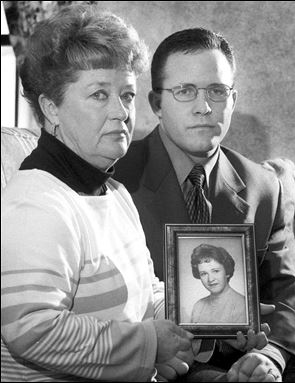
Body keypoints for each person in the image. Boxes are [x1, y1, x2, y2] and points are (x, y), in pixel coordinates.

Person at [1, 5, 198, 381]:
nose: (121, 112)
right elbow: (32, 330)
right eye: (99, 95)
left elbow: (146, 293)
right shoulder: (34, 205)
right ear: (50, 108)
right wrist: (150, 344)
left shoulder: (115, 192)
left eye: (127, 95)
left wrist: (210, 320)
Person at [114, 27, 295, 381]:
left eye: (217, 91)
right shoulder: (115, 177)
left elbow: (286, 297)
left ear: (233, 100)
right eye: (185, 91)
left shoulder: (264, 186)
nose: (203, 107)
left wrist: (270, 355)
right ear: (156, 103)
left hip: (239, 364)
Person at [190, 244, 246, 324]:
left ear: (227, 271)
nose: (210, 279)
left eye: (215, 271)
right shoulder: (198, 306)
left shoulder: (243, 305)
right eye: (204, 274)